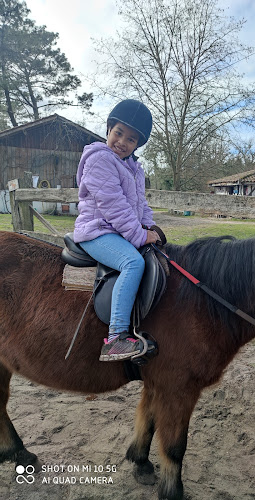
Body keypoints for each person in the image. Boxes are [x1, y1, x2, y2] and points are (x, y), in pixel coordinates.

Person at [74, 99, 160, 362]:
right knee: (132, 263)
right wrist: (138, 235)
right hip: (97, 232)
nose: (122, 141)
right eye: (119, 133)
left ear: (137, 145)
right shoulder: (101, 159)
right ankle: (115, 338)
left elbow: (140, 204)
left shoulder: (133, 169)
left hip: (117, 231)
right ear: (109, 129)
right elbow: (113, 205)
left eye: (131, 139)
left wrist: (149, 227)